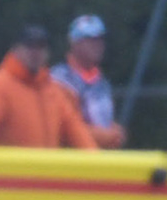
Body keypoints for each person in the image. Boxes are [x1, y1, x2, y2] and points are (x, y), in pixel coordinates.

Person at [0, 25, 103, 150]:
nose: (35, 52)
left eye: (41, 47)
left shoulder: (53, 90)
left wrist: (97, 165)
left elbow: (77, 130)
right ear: (15, 49)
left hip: (46, 174)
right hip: (10, 174)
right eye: (29, 46)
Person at [50, 13, 125, 148]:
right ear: (74, 42)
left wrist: (115, 131)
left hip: (99, 160)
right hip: (72, 162)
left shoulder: (101, 81)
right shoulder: (60, 80)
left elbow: (101, 121)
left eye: (100, 39)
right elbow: (63, 129)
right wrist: (103, 136)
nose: (97, 44)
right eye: (90, 39)